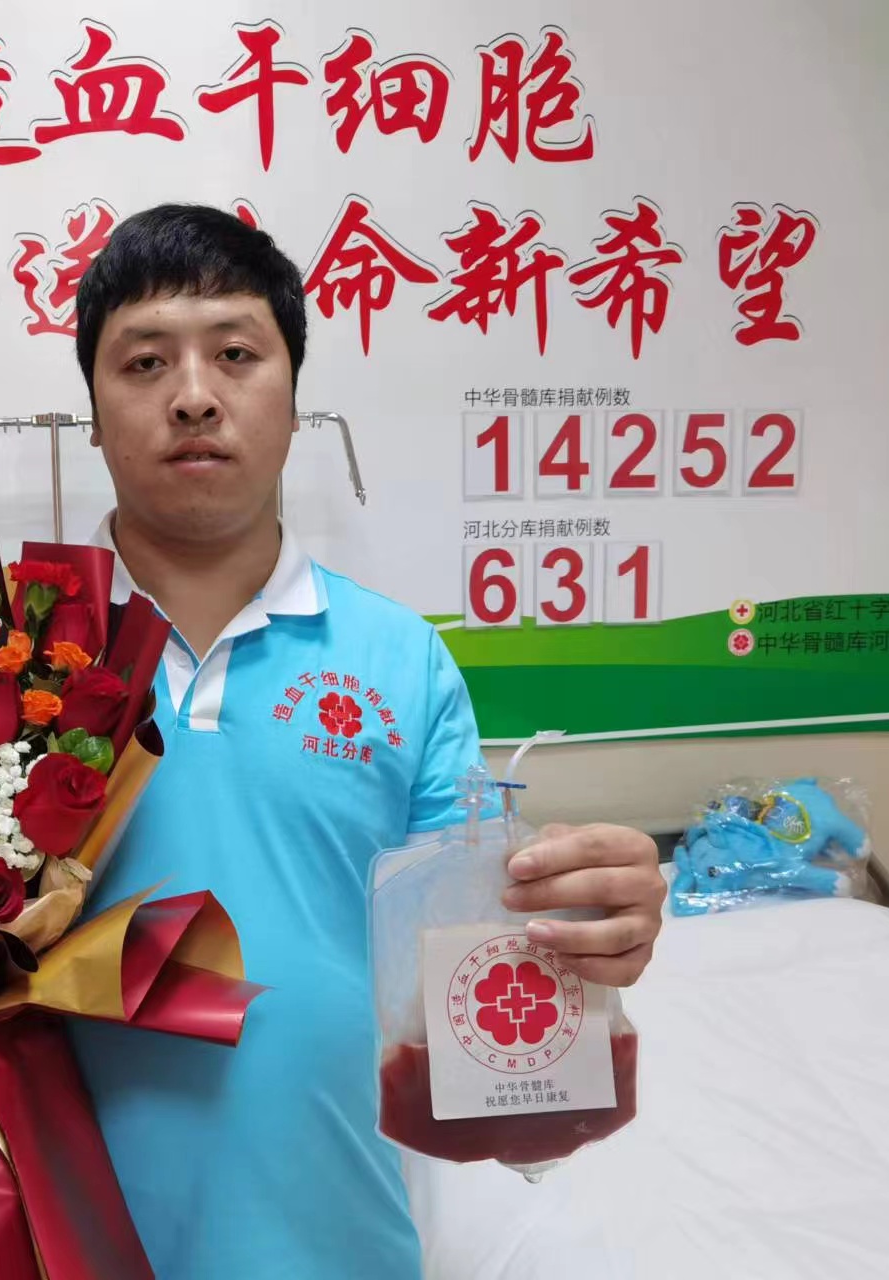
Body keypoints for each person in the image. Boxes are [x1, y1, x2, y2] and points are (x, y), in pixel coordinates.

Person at [66, 204, 665, 1279]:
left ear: (294, 401)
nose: (193, 394)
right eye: (145, 361)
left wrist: (582, 935)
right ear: (94, 418)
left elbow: (471, 971)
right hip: (36, 1238)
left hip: (332, 1239)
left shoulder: (401, 659)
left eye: (235, 354)